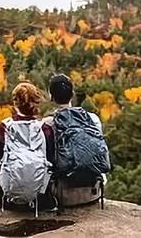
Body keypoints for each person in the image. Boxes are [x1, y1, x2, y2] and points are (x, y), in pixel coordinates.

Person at [0, 82, 56, 212]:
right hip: (40, 200)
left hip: (8, 199)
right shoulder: (45, 129)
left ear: (15, 103)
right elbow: (52, 163)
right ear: (36, 103)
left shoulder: (3, 129)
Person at [45, 73, 109, 207]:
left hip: (62, 196)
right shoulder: (92, 118)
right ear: (72, 94)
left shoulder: (48, 124)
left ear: (51, 96)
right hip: (93, 193)